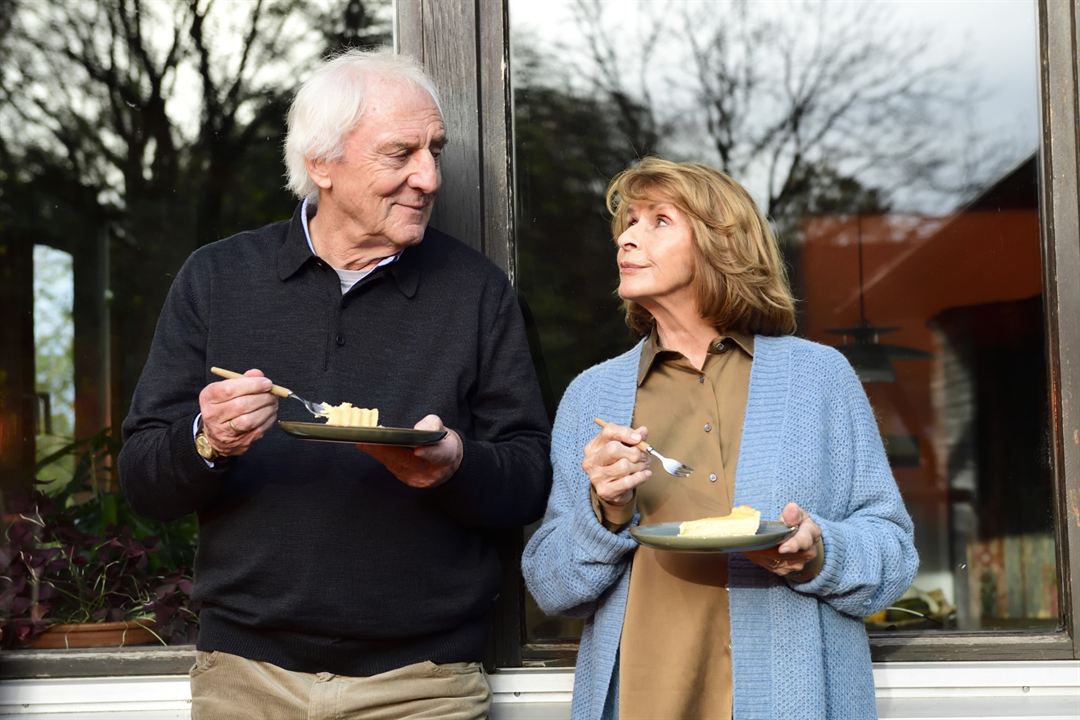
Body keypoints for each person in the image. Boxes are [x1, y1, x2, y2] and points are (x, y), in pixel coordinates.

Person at [119, 50, 551, 720]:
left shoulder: (477, 293)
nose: (429, 177)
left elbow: (528, 481)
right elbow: (145, 479)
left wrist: (455, 467)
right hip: (245, 679)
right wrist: (208, 441)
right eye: (400, 152)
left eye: (435, 149)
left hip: (421, 685)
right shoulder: (218, 279)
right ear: (322, 162)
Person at [522, 156, 918, 720]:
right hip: (644, 696)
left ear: (720, 244)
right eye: (628, 223)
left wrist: (816, 552)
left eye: (658, 221)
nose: (628, 239)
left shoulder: (818, 379)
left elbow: (893, 557)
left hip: (792, 697)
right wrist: (605, 512)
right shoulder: (593, 397)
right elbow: (551, 586)